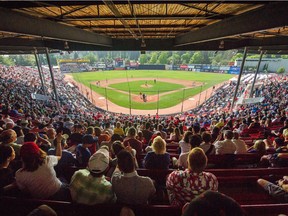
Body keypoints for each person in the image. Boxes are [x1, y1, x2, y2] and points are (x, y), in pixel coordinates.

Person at [15, 134, 70, 200]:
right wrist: (58, 141)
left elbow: (25, 191)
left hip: (38, 200)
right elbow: (59, 156)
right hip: (58, 193)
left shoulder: (19, 174)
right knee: (63, 179)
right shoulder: (47, 160)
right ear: (38, 151)